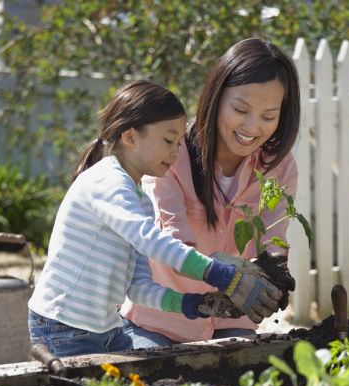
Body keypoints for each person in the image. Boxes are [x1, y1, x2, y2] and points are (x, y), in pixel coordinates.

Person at [27, 80, 282, 357]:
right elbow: (152, 241)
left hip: (106, 330)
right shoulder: (107, 182)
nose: (176, 152)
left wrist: (197, 305)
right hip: (64, 327)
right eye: (168, 140)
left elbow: (140, 289)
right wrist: (224, 277)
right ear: (130, 137)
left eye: (179, 143)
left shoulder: (141, 201)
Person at [121, 38, 300, 347]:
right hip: (161, 322)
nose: (252, 126)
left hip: (234, 317)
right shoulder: (172, 155)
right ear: (216, 97)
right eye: (241, 109)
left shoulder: (277, 167)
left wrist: (275, 273)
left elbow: (274, 238)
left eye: (269, 116)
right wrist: (225, 269)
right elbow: (169, 245)